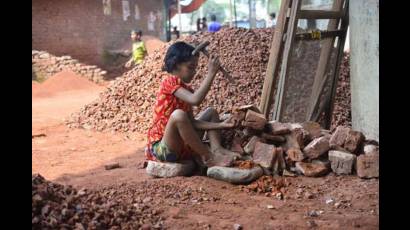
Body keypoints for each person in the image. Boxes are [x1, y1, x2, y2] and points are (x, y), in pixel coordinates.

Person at [145, 42, 241, 167]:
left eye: (195, 68)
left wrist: (221, 125)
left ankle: (217, 148)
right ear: (176, 64)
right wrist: (211, 73)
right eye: (190, 67)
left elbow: (193, 123)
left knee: (210, 112)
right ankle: (209, 157)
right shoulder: (169, 81)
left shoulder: (187, 90)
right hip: (164, 149)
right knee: (178, 115)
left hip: (183, 147)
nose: (194, 72)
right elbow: (196, 100)